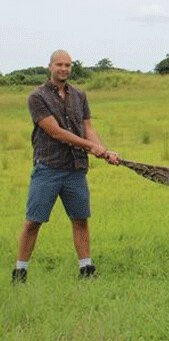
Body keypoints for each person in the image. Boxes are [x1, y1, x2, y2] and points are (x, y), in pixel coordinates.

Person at [11, 50, 119, 283]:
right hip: (48, 167)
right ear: (49, 66)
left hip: (75, 168)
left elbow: (88, 127)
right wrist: (92, 147)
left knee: (80, 219)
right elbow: (56, 132)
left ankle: (86, 269)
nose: (64, 69)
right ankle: (20, 271)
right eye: (59, 64)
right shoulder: (37, 97)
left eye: (68, 65)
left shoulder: (79, 95)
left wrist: (104, 150)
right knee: (33, 221)